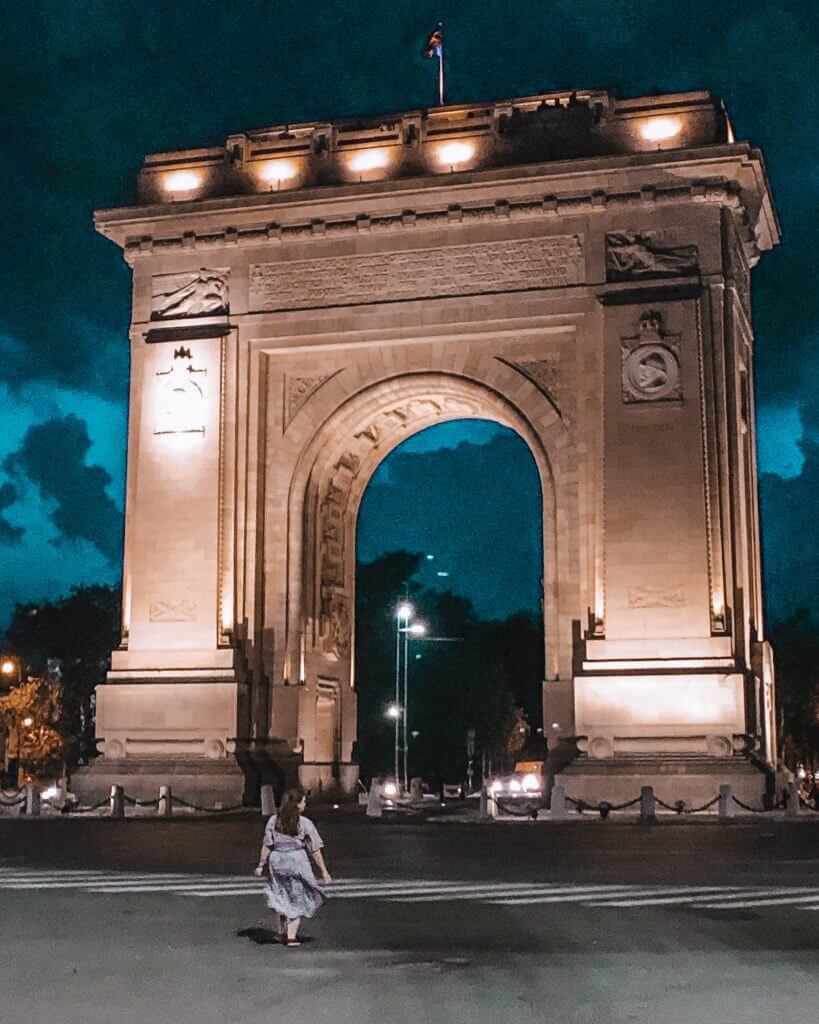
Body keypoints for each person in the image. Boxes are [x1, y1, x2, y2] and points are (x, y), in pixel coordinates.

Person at [255, 786, 332, 947]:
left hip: (277, 861)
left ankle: (281, 932)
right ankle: (291, 936)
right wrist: (324, 871)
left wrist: (261, 864)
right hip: (297, 861)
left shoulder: (274, 821)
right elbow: (315, 849)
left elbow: (267, 845)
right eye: (303, 802)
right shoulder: (305, 823)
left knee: (281, 894)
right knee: (296, 897)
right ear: (296, 805)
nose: (305, 805)